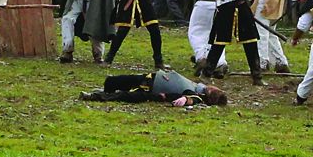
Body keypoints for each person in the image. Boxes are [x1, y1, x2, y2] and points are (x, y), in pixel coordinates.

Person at [79, 68, 228, 107]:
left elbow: (193, 98)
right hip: (150, 78)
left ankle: (94, 96)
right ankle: (102, 93)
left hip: (151, 89)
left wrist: (186, 99)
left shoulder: (198, 94)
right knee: (112, 81)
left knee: (124, 95)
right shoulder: (197, 87)